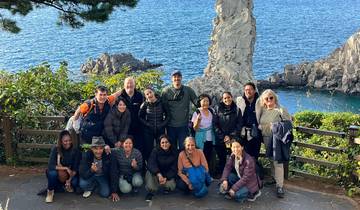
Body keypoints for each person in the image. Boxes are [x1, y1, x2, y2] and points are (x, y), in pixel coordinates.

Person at [257, 89, 292, 198]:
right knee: (271, 160)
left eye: (271, 97)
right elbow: (261, 123)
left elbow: (289, 124)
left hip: (277, 140)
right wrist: (261, 127)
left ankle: (280, 186)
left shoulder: (280, 110)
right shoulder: (263, 110)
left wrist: (276, 126)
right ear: (263, 100)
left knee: (278, 162)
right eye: (266, 98)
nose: (269, 100)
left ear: (275, 98)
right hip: (266, 139)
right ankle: (274, 178)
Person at [161, 70, 197, 149]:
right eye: (174, 77)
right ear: (171, 79)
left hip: (183, 126)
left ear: (181, 78)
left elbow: (197, 103)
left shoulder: (188, 90)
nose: (177, 78)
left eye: (178, 76)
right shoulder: (166, 91)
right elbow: (162, 108)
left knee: (183, 148)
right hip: (170, 126)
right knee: (172, 148)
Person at [45, 130, 81, 203]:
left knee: (74, 183)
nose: (68, 143)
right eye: (65, 141)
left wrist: (69, 180)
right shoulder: (56, 149)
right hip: (58, 172)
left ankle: (61, 186)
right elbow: (51, 165)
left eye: (69, 140)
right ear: (61, 142)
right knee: (52, 174)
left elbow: (75, 168)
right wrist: (66, 168)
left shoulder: (75, 150)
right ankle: (50, 192)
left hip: (69, 174)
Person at [213, 91, 243, 175]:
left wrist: (230, 136)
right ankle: (222, 173)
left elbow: (239, 124)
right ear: (222, 99)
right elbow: (215, 124)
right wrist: (223, 136)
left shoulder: (237, 110)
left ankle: (233, 173)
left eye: (228, 97)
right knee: (221, 157)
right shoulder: (217, 109)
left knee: (233, 156)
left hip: (233, 138)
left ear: (231, 97)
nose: (227, 99)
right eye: (225, 98)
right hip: (221, 137)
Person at [139, 86, 169, 162]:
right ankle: (149, 164)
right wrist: (148, 124)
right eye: (147, 94)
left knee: (161, 147)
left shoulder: (162, 102)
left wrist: (162, 124)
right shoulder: (144, 105)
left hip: (160, 129)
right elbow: (140, 117)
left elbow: (168, 116)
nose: (149, 95)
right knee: (149, 149)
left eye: (150, 92)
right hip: (149, 130)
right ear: (145, 96)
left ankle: (161, 163)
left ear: (153, 92)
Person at [144, 134, 178, 201]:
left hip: (167, 174)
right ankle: (151, 192)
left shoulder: (174, 152)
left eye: (166, 142)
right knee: (151, 184)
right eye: (162, 142)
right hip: (156, 173)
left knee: (171, 186)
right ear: (159, 144)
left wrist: (166, 177)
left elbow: (175, 168)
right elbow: (151, 164)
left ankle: (166, 188)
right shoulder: (155, 151)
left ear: (170, 143)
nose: (164, 144)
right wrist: (158, 174)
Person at [110, 135, 143, 202]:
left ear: (133, 144)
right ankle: (127, 185)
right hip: (123, 175)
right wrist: (106, 146)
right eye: (126, 143)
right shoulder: (118, 151)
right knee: (125, 190)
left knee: (138, 182)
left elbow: (140, 167)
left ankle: (135, 187)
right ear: (122, 144)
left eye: (130, 143)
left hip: (134, 173)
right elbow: (108, 149)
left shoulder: (137, 153)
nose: (128, 145)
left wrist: (135, 166)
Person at [191, 94, 216, 174]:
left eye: (207, 101)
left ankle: (207, 174)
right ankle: (200, 174)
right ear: (200, 102)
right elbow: (195, 128)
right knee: (200, 157)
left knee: (208, 157)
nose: (206, 103)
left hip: (210, 138)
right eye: (204, 101)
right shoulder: (197, 112)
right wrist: (198, 120)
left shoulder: (211, 111)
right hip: (201, 139)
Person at [236, 82, 261, 159]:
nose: (248, 91)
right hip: (243, 134)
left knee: (255, 156)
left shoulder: (260, 101)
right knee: (243, 156)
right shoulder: (240, 101)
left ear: (254, 90)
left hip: (256, 133)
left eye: (250, 89)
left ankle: (253, 170)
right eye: (246, 90)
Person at [119, 77, 144, 153]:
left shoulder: (140, 96)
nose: (129, 85)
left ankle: (140, 164)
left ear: (134, 85)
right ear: (124, 85)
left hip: (138, 128)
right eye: (127, 84)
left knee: (139, 150)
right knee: (125, 151)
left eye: (131, 83)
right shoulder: (120, 97)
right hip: (125, 129)